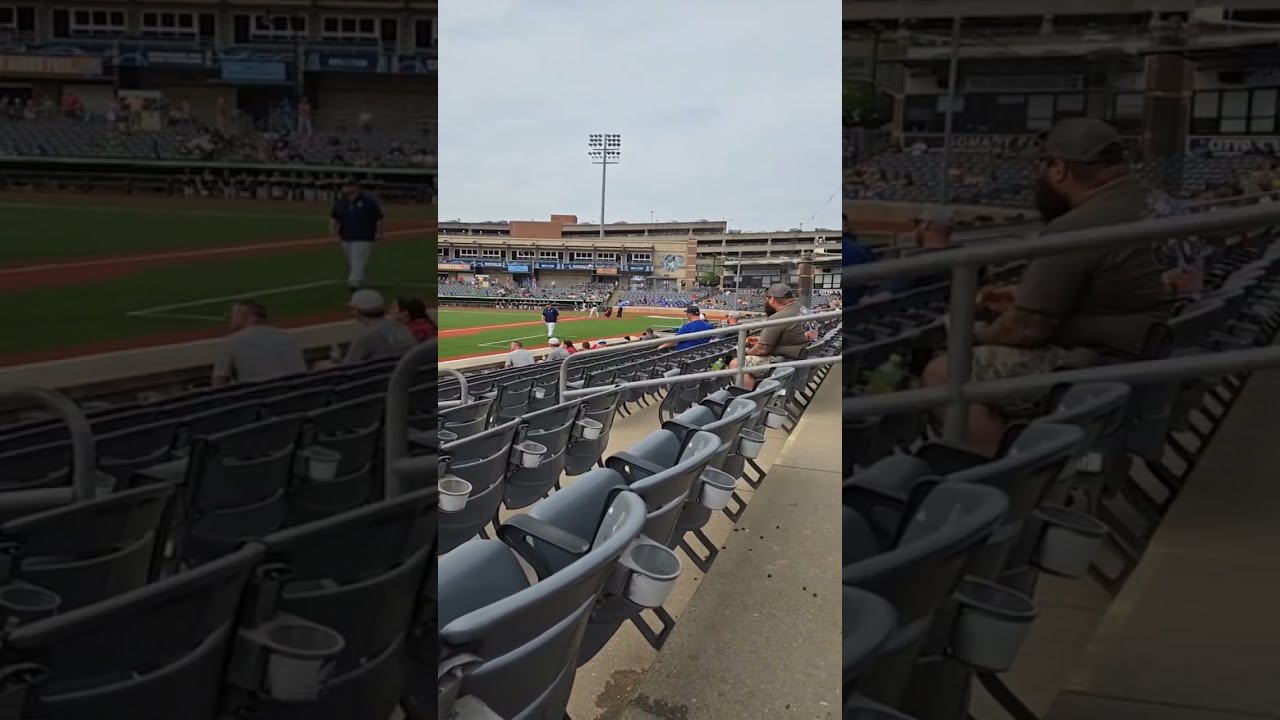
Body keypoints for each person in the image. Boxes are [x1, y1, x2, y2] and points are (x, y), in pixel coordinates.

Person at [923, 117, 1180, 454]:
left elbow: (1026, 330)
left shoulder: (1078, 226)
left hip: (1104, 361)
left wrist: (976, 334)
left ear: (1059, 169)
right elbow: (1123, 285)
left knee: (945, 372)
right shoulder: (1164, 204)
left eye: (1042, 165)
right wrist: (1025, 296)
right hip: (1152, 348)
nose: (1038, 175)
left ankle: (1000, 474)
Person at [729, 283, 809, 390]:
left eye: (766, 298)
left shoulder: (778, 317)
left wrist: (745, 351)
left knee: (736, 364)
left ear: (772, 299)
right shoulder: (805, 310)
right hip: (801, 357)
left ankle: (755, 396)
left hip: (785, 361)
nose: (765, 302)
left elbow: (762, 350)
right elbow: (791, 336)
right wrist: (761, 340)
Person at [211, 300, 306, 386]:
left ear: (243, 316)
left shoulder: (231, 342)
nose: (230, 321)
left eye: (232, 316)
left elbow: (218, 385)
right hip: (298, 395)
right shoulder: (289, 338)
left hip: (260, 397)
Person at [330, 179, 384, 291]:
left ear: (356, 187)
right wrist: (333, 230)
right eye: (345, 186)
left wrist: (379, 232)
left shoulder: (368, 201)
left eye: (348, 186)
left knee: (357, 259)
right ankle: (360, 278)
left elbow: (378, 218)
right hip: (346, 236)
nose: (345, 188)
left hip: (364, 237)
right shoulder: (341, 202)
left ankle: (354, 283)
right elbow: (335, 217)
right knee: (351, 261)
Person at [344, 290, 416, 363]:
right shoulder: (400, 327)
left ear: (356, 312)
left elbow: (347, 366)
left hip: (386, 369)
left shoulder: (364, 337)